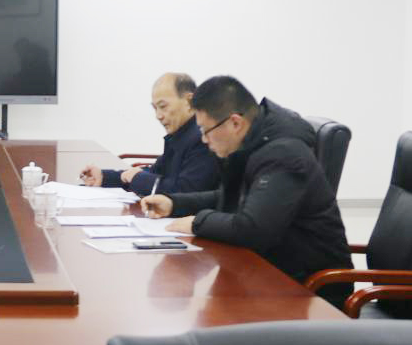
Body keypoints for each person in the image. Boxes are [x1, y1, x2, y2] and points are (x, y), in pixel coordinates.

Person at [140, 76, 353, 308]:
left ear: (235, 123)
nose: (204, 139)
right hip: (272, 271)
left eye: (205, 130)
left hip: (311, 292)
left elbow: (253, 229)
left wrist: (197, 222)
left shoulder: (283, 154)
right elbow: (229, 197)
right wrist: (174, 203)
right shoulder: (253, 143)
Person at [79, 73, 219, 196]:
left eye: (163, 106)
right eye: (155, 108)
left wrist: (137, 178)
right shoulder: (180, 135)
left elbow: (185, 192)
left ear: (189, 102)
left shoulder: (203, 138)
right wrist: (105, 177)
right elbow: (156, 173)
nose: (158, 116)